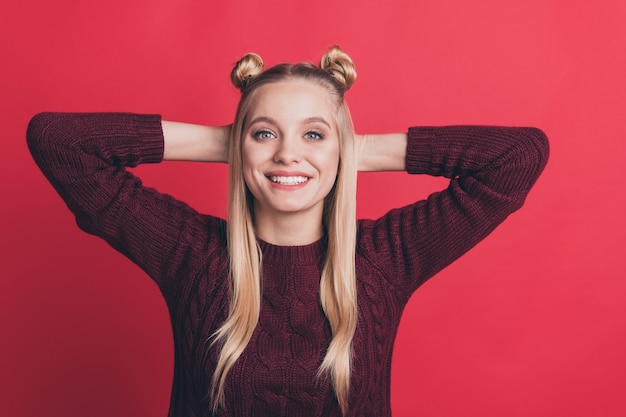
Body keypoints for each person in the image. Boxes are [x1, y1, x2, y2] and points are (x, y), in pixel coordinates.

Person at [27, 45, 549, 417]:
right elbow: (58, 141)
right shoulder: (192, 254)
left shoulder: (386, 259)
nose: (287, 154)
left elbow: (518, 155)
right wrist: (230, 145)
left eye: (313, 134)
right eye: (264, 133)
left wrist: (354, 148)